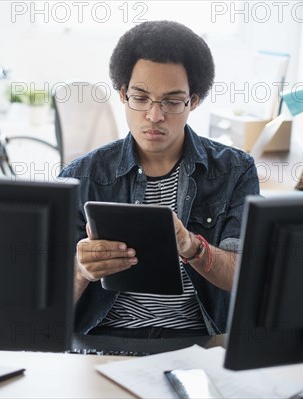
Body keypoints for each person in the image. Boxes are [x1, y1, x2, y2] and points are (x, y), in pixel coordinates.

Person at [59, 20, 260, 338]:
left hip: (197, 339)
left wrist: (191, 246)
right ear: (123, 94)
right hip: (105, 335)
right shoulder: (80, 176)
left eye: (172, 101)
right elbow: (46, 305)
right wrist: (81, 271)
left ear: (193, 101)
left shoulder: (235, 171)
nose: (154, 115)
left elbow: (246, 277)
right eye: (140, 98)